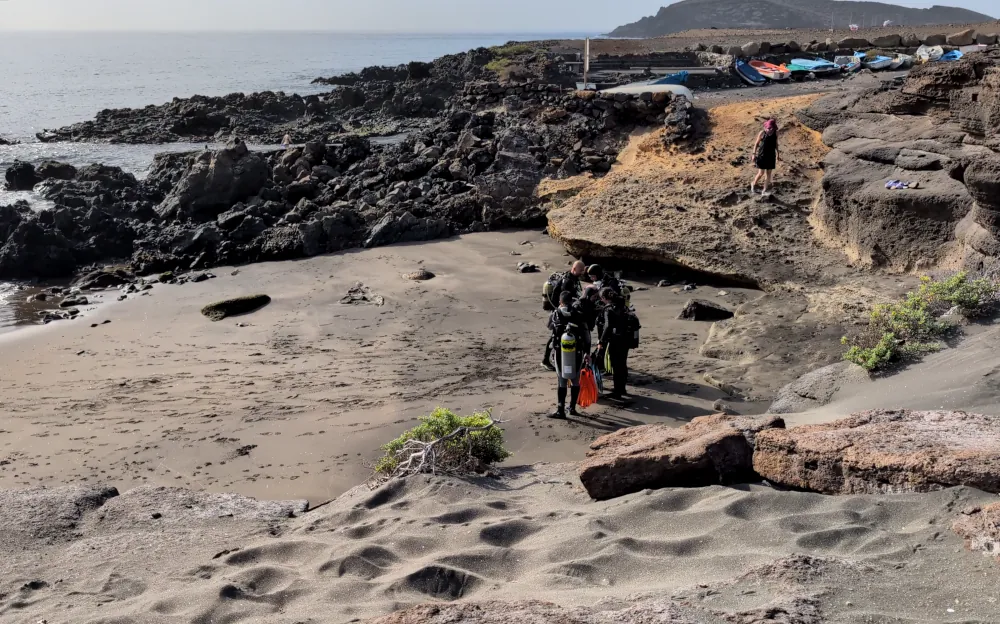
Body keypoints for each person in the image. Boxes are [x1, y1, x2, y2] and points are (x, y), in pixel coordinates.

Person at [547, 290, 590, 419]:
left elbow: (549, 327)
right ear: (571, 300)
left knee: (562, 381)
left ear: (560, 301)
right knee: (576, 380)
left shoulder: (555, 314)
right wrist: (587, 353)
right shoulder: (579, 314)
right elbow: (586, 336)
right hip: (577, 352)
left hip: (561, 353)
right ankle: (572, 408)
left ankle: (560, 410)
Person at [542, 260, 587, 370]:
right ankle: (546, 360)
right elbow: (564, 299)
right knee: (555, 335)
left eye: (583, 271)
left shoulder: (573, 279)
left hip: (566, 310)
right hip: (560, 311)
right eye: (581, 270)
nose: (582, 273)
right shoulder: (567, 281)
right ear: (574, 269)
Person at [599, 287, 632, 401]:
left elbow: (608, 326)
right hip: (626, 339)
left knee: (616, 365)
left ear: (604, 298)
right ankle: (622, 388)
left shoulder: (609, 309)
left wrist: (601, 341)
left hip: (616, 339)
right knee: (622, 364)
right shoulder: (623, 304)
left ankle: (617, 391)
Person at [751, 118, 780, 197]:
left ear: (774, 128)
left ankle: (764, 190)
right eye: (768, 128)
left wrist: (778, 154)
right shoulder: (762, 133)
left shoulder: (776, 133)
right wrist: (753, 154)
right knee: (761, 173)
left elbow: (776, 144)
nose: (769, 129)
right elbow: (756, 144)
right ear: (765, 127)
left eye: (771, 128)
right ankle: (753, 184)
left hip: (771, 156)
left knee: (769, 173)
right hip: (762, 155)